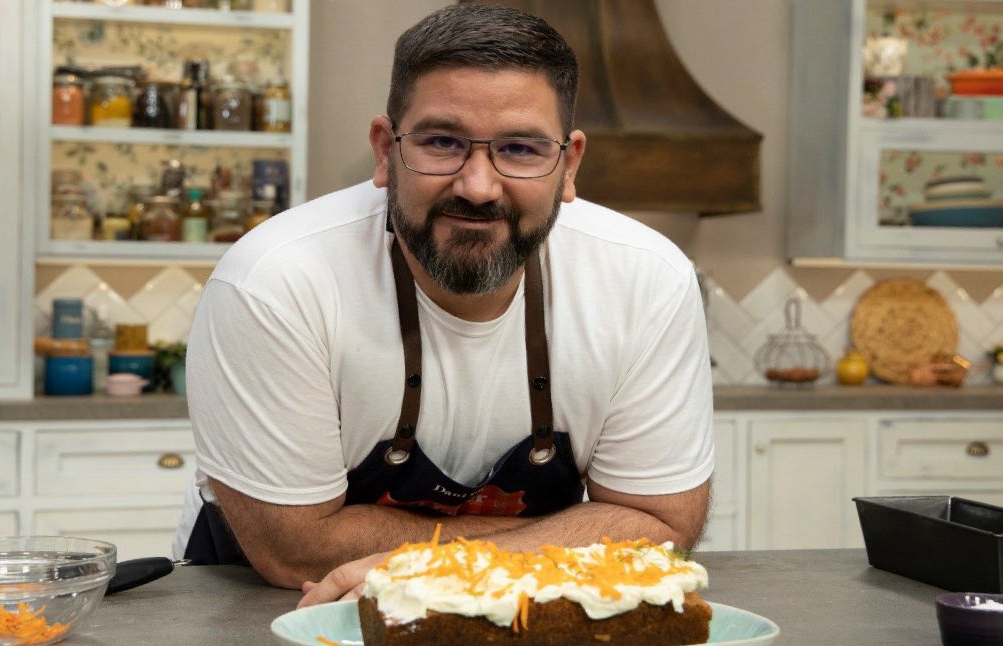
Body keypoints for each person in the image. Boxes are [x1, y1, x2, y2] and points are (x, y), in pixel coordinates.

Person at [171, 3, 714, 607]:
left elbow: (662, 528)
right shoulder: (276, 281)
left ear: (569, 165)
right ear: (384, 150)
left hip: (521, 622)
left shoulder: (646, 279)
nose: (478, 187)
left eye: (521, 150)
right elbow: (292, 550)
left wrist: (433, 569)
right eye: (441, 141)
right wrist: (570, 535)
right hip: (264, 615)